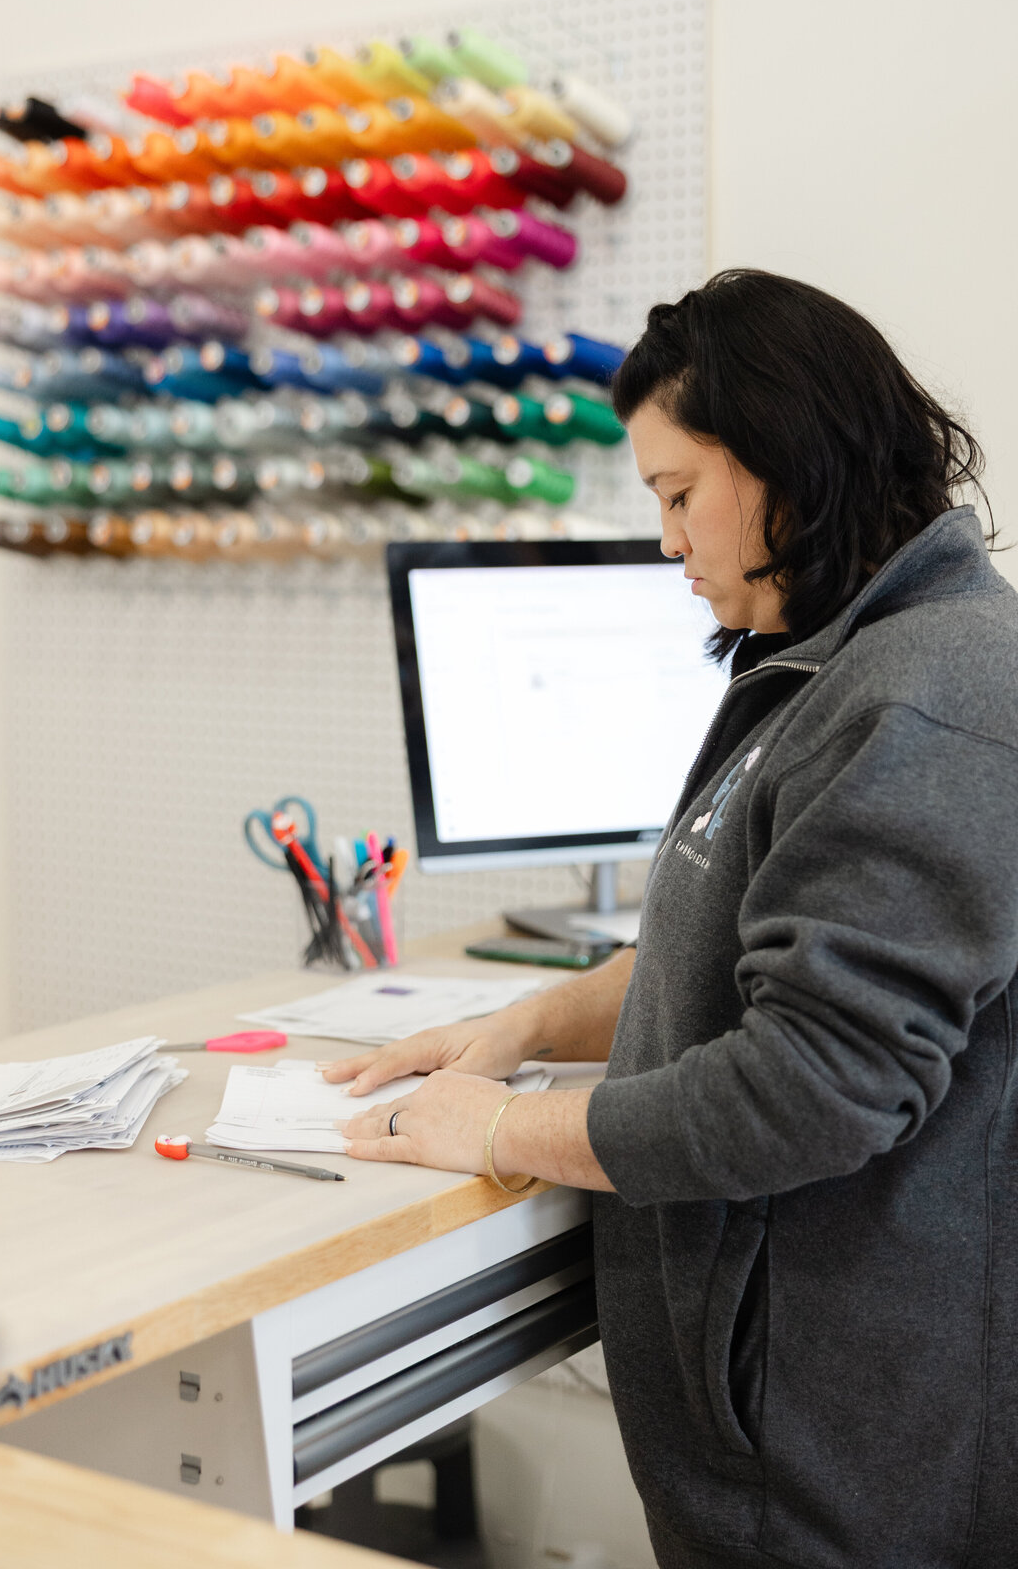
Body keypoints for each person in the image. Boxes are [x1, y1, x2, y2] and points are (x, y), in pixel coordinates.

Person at [326, 269, 1018, 1569]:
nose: (668, 541)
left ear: (787, 462)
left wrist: (509, 1126)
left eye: (678, 495)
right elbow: (739, 950)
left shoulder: (925, 699)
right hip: (782, 1418)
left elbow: (813, 1086)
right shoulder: (844, 664)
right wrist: (522, 1023)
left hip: (840, 1451)